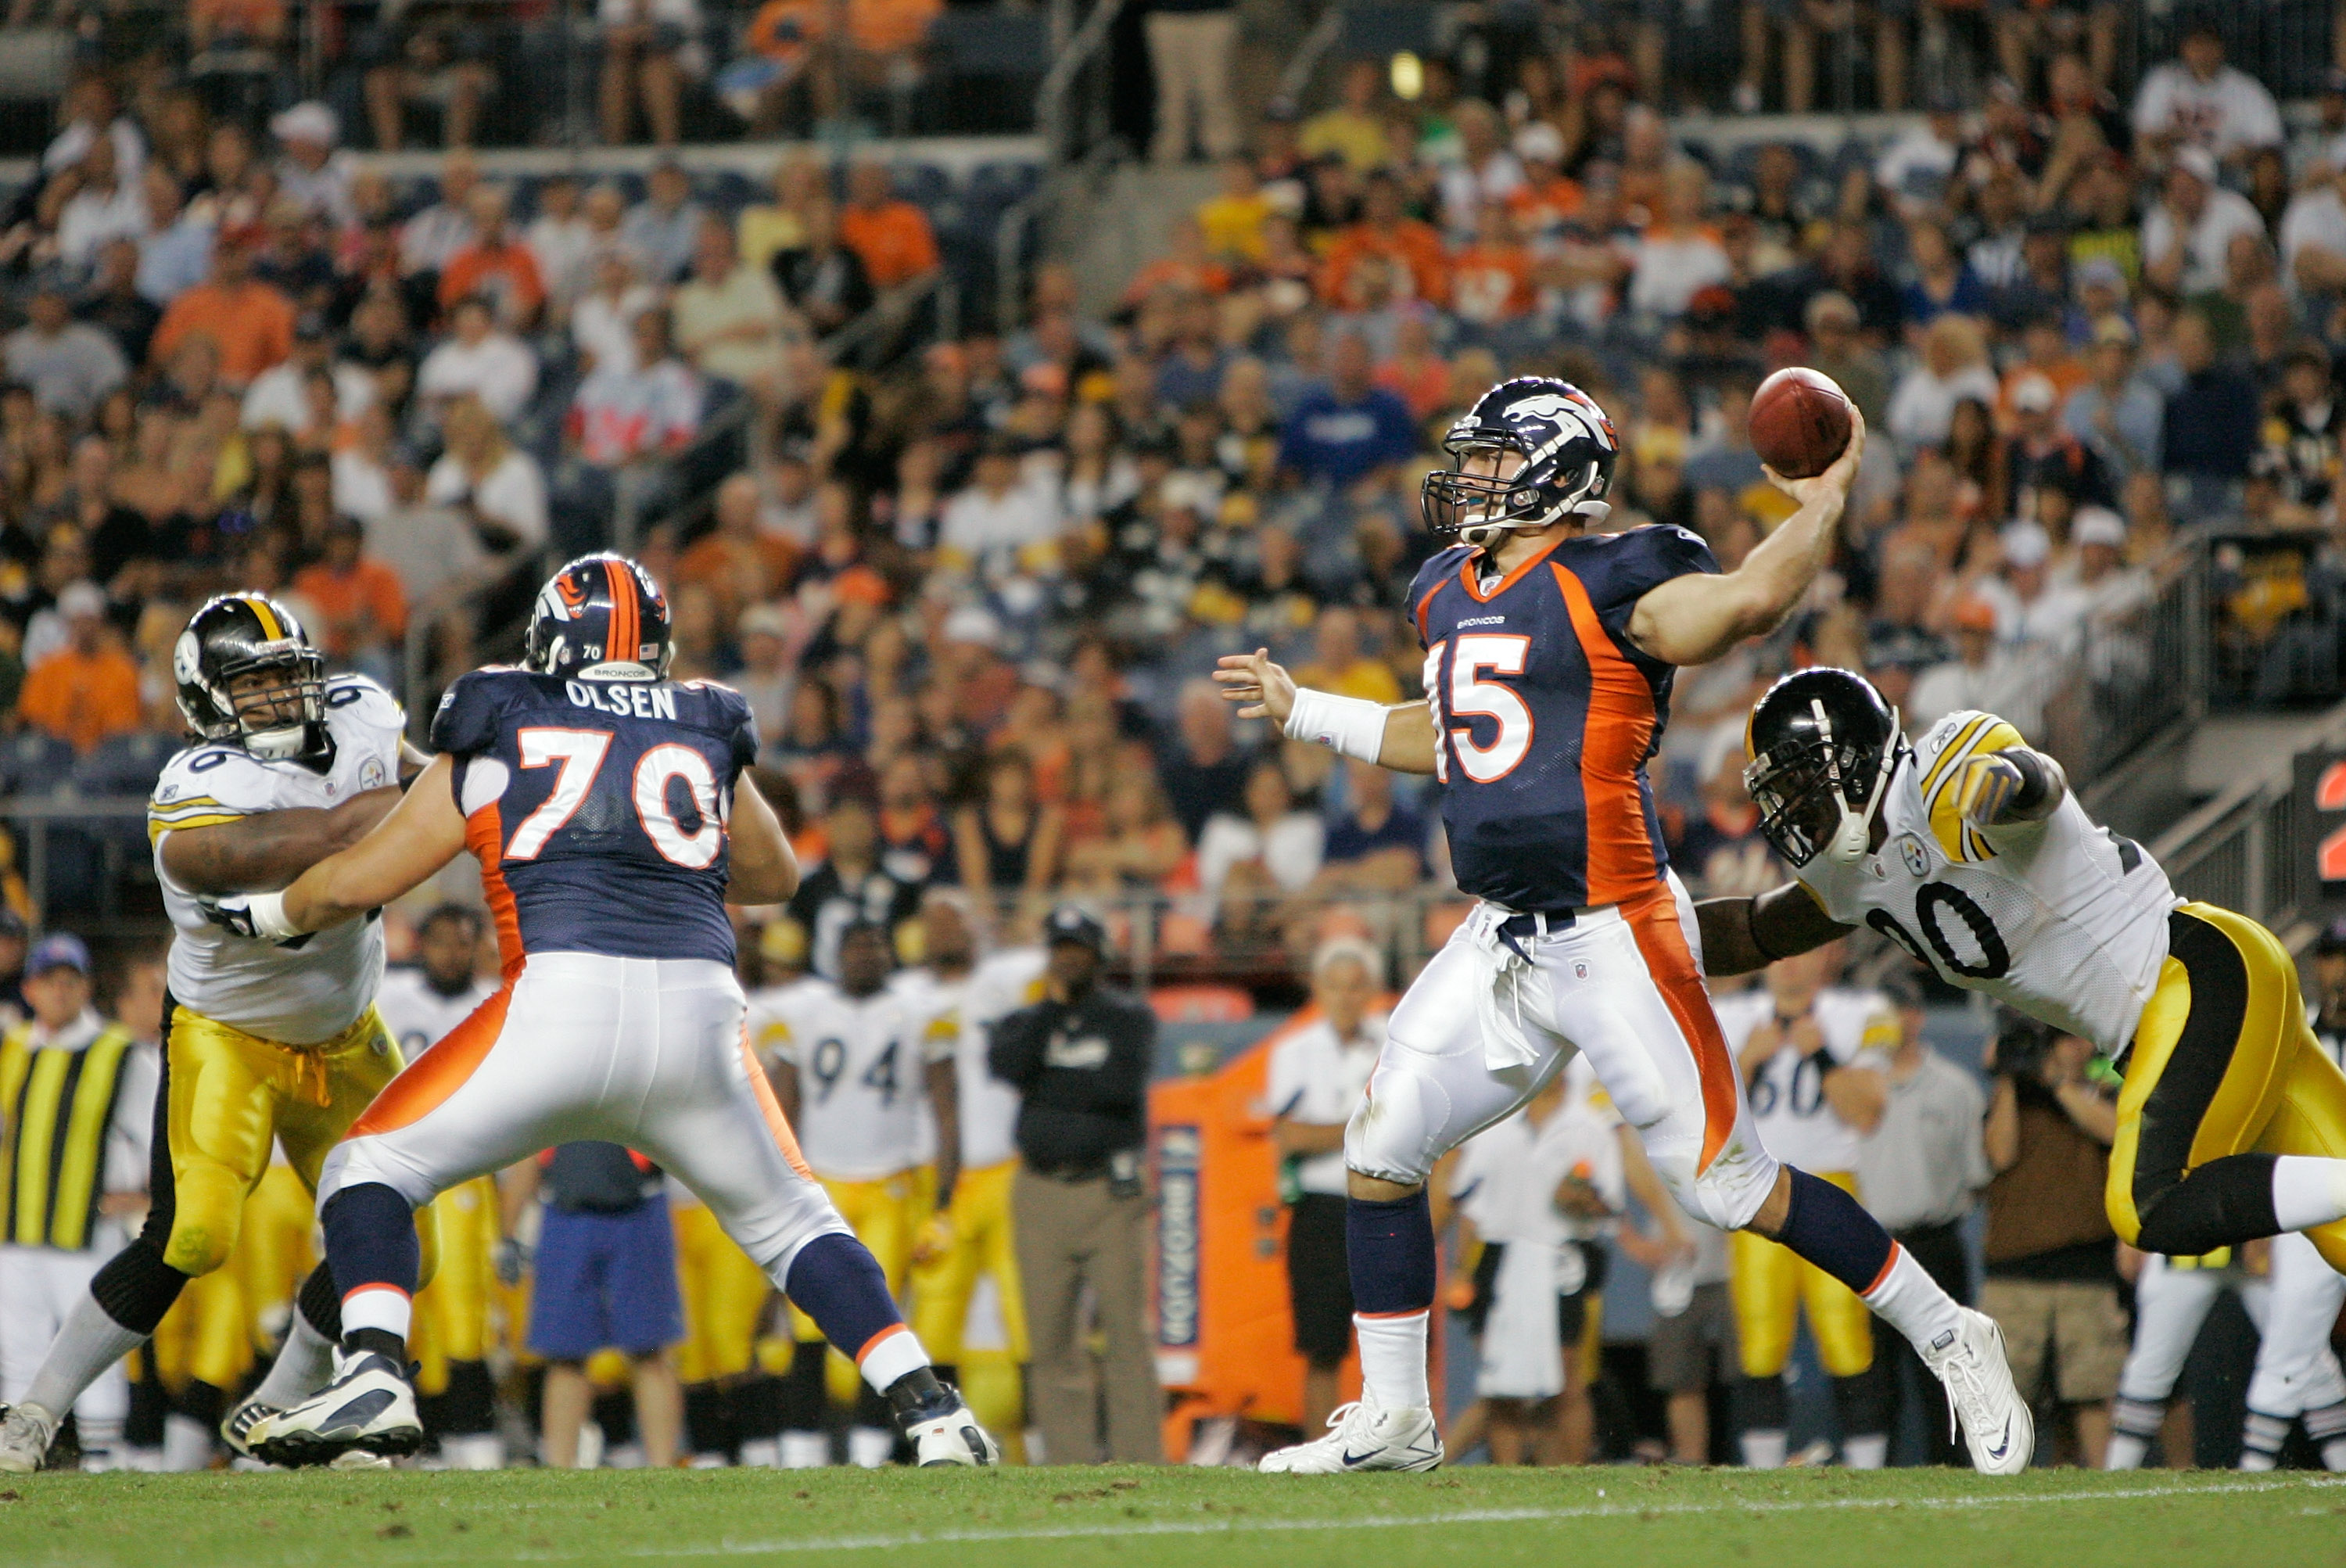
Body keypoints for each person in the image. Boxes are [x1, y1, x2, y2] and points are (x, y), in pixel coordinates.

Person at [1215, 375, 2029, 1477]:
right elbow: (1458, 729)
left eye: (1496, 458)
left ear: (1556, 474)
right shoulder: (1448, 590)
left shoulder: (1619, 578)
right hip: (1502, 929)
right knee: (1380, 1144)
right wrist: (1305, 708)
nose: (1472, 480)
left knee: (1728, 1186)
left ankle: (1950, 1333)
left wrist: (1822, 505)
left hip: (1614, 929)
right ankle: (1398, 1416)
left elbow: (1741, 605)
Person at [203, 554, 995, 1471]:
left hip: (559, 1009)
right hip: (700, 1015)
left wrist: (266, 913)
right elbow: (776, 876)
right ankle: (934, 1412)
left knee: (368, 1167)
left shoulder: (499, 712)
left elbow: (354, 882)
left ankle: (375, 1368)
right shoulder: (706, 719)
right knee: (794, 1225)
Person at [1710, 666, 2346, 1452]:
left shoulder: (1942, 775)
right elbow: (1754, 930)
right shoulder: (1850, 874)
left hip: (2195, 975)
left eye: (1800, 788)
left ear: (1854, 766)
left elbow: (2031, 780)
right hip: (2205, 994)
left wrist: (2003, 789)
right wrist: (1631, 933)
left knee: (2151, 1200)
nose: (1790, 814)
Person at [0, 594, 431, 1476]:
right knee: (192, 1234)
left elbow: (419, 784)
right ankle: (33, 1411)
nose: (283, 697)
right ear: (207, 701)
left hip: (343, 1030)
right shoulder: (196, 801)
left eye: (288, 675)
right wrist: (458, 777)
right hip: (225, 1035)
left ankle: (281, 1402)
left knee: (398, 1245)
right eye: (256, 684)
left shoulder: (362, 715)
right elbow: (337, 834)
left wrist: (443, 773)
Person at [755, 917, 957, 1468]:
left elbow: (946, 1107)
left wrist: (943, 1197)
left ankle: (869, 1455)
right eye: (855, 945)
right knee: (806, 1329)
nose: (865, 955)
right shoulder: (805, 1010)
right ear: (835, 954)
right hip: (823, 1184)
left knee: (879, 1316)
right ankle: (800, 1452)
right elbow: (784, 1105)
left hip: (892, 1183)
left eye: (875, 944)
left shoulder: (919, 1011)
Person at [989, 906, 1162, 1464]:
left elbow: (1119, 1084)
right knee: (1050, 1339)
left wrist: (1052, 1082)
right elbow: (1007, 1065)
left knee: (1125, 1335)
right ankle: (1068, 1460)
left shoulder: (1129, 1018)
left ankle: (1141, 1459)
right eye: (1060, 947)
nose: (1069, 957)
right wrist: (1051, 1014)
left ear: (1100, 955)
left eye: (1079, 947)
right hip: (1040, 1191)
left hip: (1108, 1194)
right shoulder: (1029, 1020)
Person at [1714, 948, 1892, 1469]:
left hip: (1831, 1185)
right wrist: (1747, 1060)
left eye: (1803, 949)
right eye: (1779, 950)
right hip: (1754, 1191)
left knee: (1847, 1338)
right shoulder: (1730, 1016)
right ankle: (1762, 1473)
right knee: (1760, 1340)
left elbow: (1866, 1112)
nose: (1788, 962)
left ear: (1829, 955)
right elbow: (1710, 1118)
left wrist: (1822, 1056)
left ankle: (1869, 1473)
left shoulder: (1861, 1012)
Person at [0, 935, 160, 1471]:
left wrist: (145, 1193)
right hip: (16, 1229)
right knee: (19, 1351)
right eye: (50, 981)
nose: (60, 991)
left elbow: (155, 1133)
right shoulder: (15, 1046)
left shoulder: (118, 1051)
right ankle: (25, 1452)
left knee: (92, 1345)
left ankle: (102, 1458)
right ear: (30, 988)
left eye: (71, 981)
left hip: (87, 1230)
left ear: (87, 987)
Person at [897, 888, 1043, 1459]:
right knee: (933, 1318)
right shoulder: (906, 997)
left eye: (951, 919)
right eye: (931, 921)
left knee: (1025, 1314)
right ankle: (935, 1435)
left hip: (1006, 1168)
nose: (942, 932)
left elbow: (1045, 958)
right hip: (939, 1177)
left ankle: (1039, 1439)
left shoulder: (1003, 979)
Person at [371, 903, 504, 1470]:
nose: (453, 952)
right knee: (406, 1315)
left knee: (464, 1319)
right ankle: (413, 1441)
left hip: (465, 1179)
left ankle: (474, 1440)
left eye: (464, 941)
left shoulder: (496, 1002)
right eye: (443, 940)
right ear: (419, 942)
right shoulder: (388, 998)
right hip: (396, 1170)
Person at [1853, 967, 1990, 1468]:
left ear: (1917, 1017)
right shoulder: (1850, 1088)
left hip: (1933, 1242)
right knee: (1871, 1377)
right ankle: (1870, 1483)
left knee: (1946, 1375)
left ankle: (1953, 1475)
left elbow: (1976, 1176)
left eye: (1899, 1011)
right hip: (1865, 1243)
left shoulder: (1954, 1089)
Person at [1268, 938, 1385, 1434]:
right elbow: (1289, 1137)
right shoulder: (1293, 1050)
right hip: (1320, 1208)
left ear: (1371, 991)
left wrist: (1331, 1130)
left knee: (1393, 1342)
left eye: (1355, 987)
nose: (1344, 998)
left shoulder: (1394, 1044)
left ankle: (1391, 1444)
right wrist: (1365, 1124)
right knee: (1321, 1345)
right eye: (1334, 987)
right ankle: (1319, 1446)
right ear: (1317, 989)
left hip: (1383, 1204)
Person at [507, 1141, 684, 1467]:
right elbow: (532, 1149)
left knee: (650, 1352)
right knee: (565, 1356)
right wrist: (508, 1234)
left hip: (638, 1207)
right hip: (566, 1211)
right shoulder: (552, 1091)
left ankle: (663, 1466)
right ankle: (559, 1467)